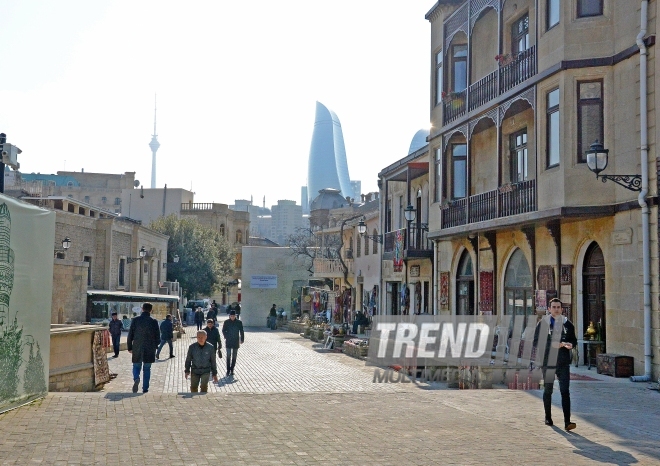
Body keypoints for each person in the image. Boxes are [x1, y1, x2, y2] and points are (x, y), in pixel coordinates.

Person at [533, 297, 578, 431]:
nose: (556, 309)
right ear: (549, 309)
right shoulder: (543, 324)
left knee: (565, 391)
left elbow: (573, 340)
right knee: (548, 390)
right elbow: (536, 342)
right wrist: (552, 345)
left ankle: (567, 421)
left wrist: (571, 345)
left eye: (558, 307)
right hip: (548, 362)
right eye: (554, 307)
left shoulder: (567, 324)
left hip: (563, 362)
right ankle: (548, 417)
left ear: (561, 309)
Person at [127, 302, 160, 393]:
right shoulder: (154, 321)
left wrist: (130, 347)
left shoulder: (135, 320)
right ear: (151, 310)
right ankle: (145, 388)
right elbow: (158, 336)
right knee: (147, 368)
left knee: (136, 365)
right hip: (150, 348)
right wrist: (156, 345)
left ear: (142, 309)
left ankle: (136, 378)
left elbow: (130, 335)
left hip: (137, 346)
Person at [222, 310, 244, 377]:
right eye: (231, 316)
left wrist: (242, 339)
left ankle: (232, 369)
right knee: (228, 355)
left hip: (236, 341)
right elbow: (223, 330)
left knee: (234, 356)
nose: (232, 317)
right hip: (229, 341)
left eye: (233, 316)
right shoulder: (226, 322)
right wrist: (226, 336)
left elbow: (241, 331)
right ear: (229, 316)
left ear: (235, 316)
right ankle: (228, 370)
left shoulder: (239, 322)